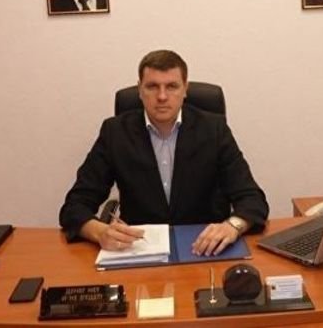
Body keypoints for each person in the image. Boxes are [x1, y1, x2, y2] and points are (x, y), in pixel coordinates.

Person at [59, 50, 269, 256]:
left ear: (185, 89)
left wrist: (233, 226)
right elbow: (74, 206)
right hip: (138, 251)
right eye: (152, 86)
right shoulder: (115, 133)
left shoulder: (214, 129)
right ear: (140, 90)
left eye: (171, 86)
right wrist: (100, 232)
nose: (162, 96)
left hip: (204, 249)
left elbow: (252, 199)